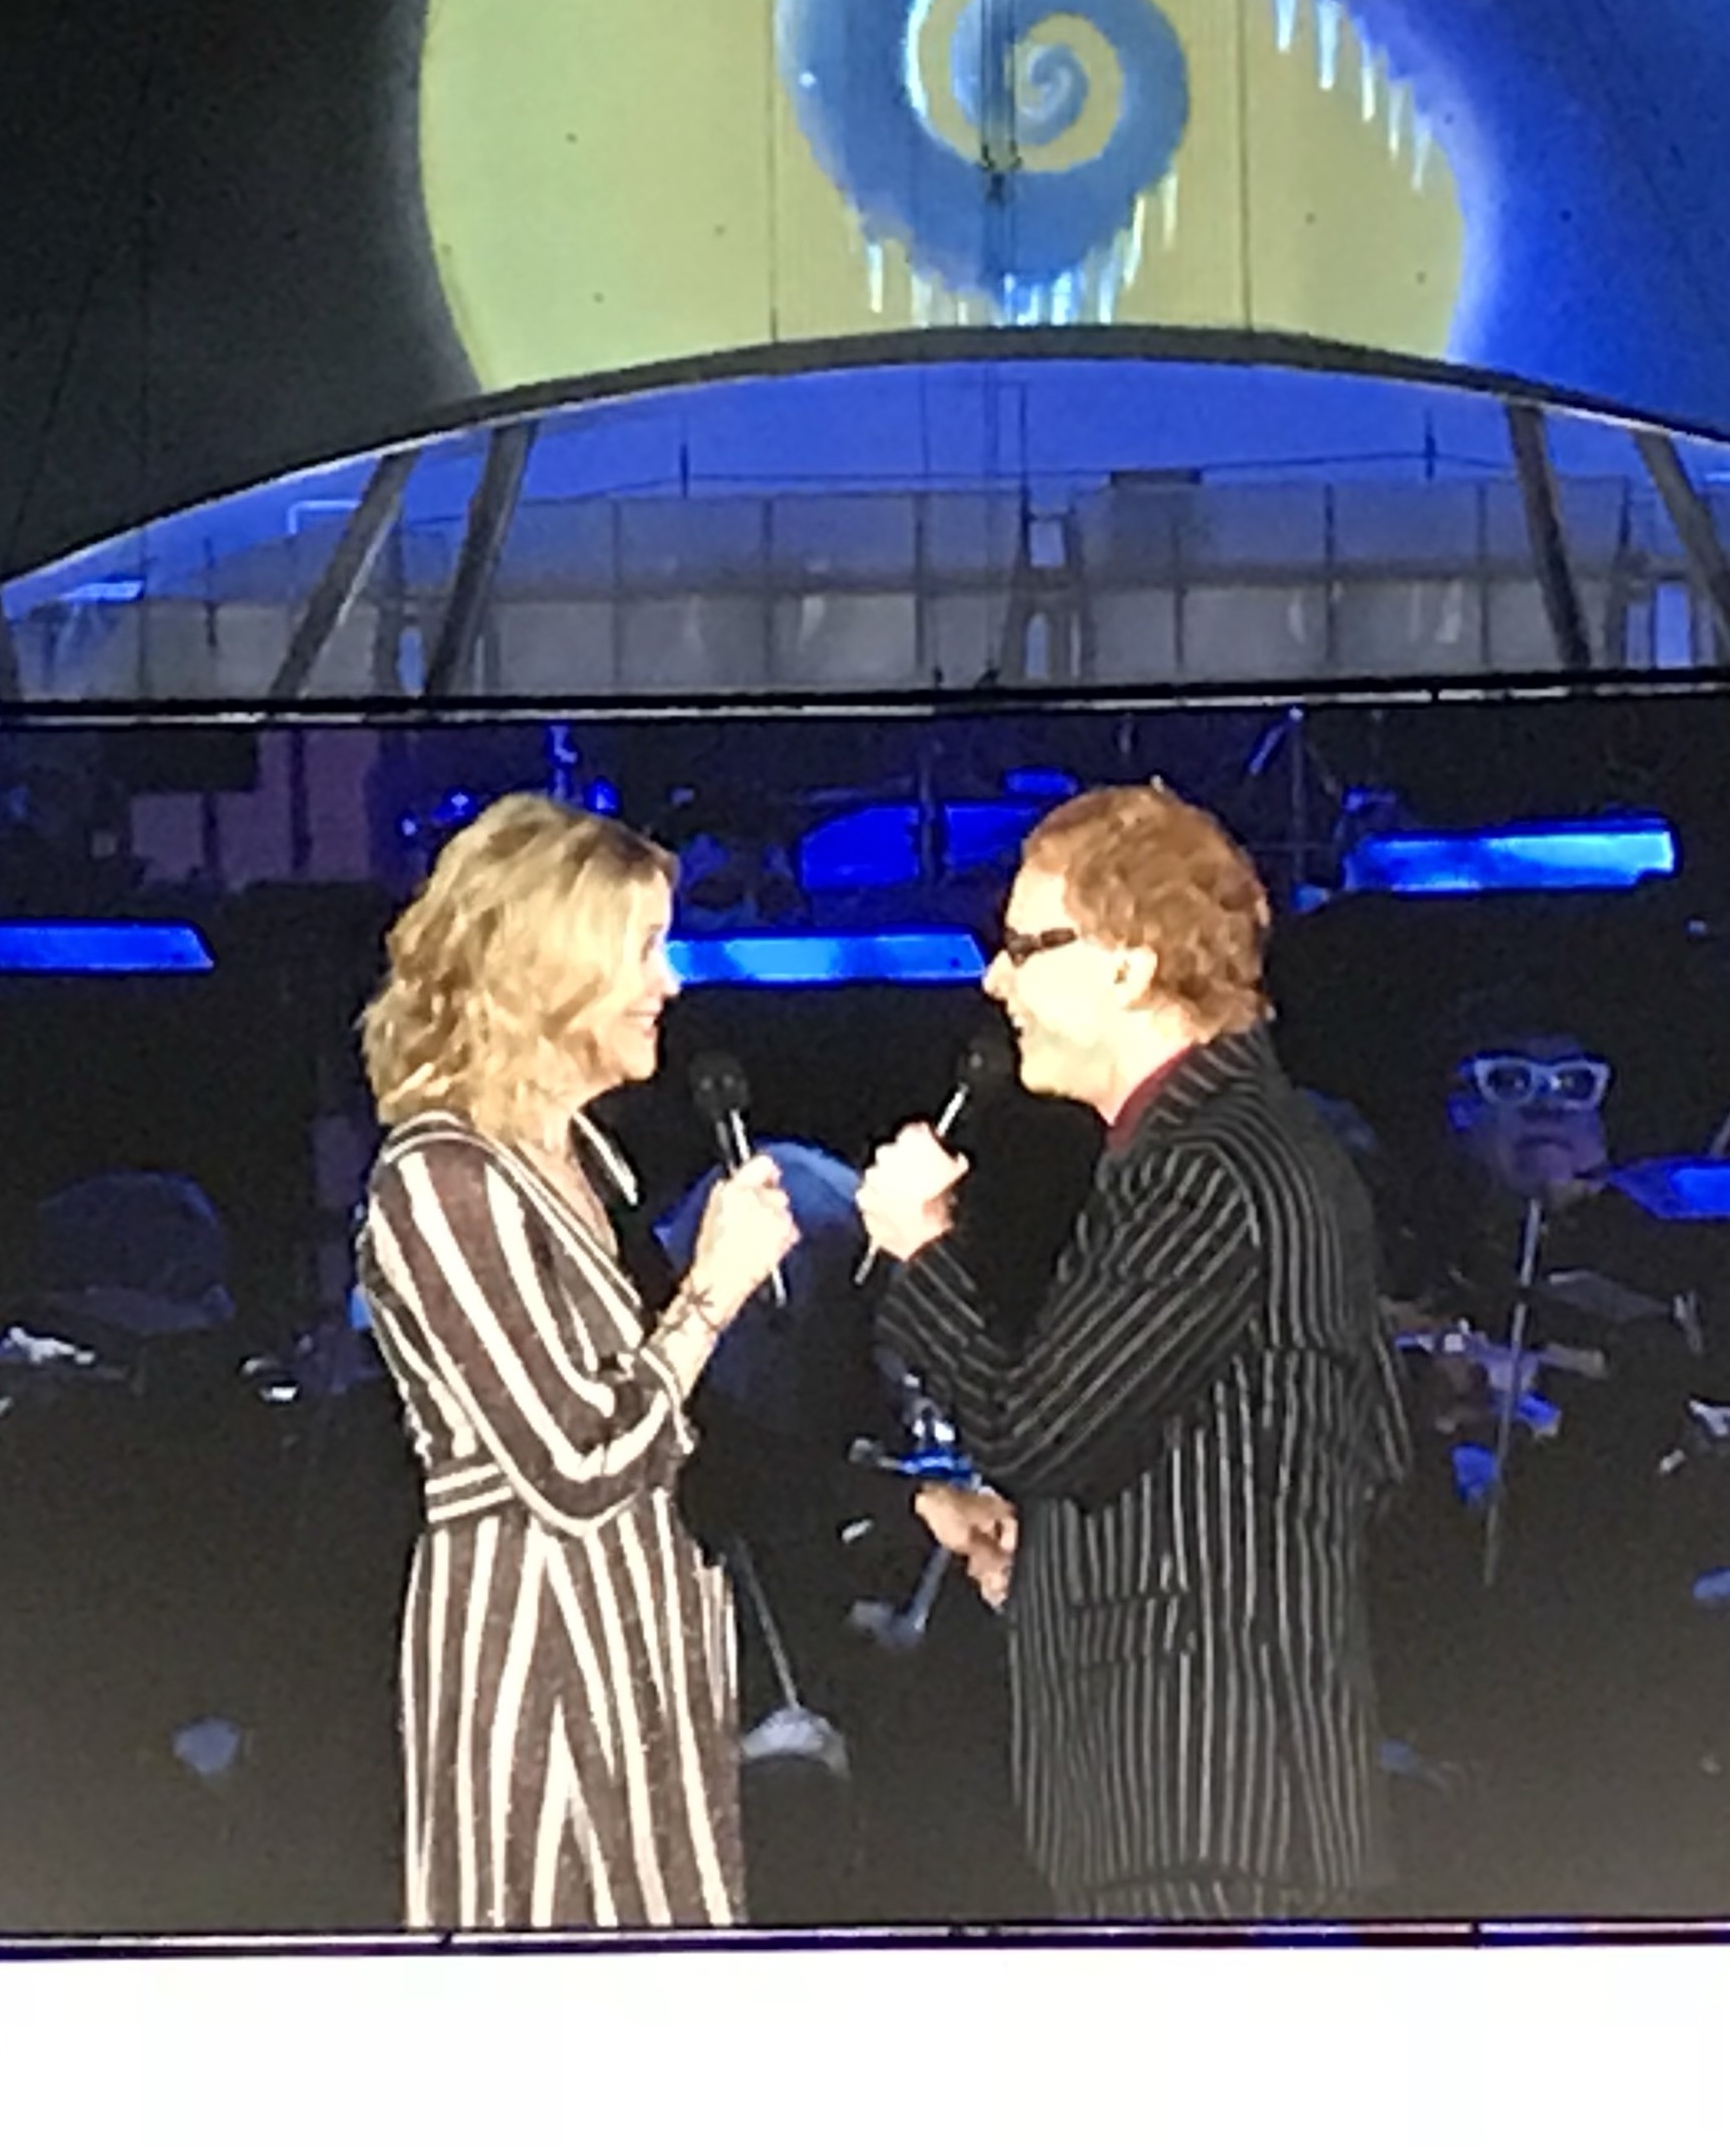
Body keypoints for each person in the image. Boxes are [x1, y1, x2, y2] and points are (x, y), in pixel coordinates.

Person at [853, 782, 1408, 1922]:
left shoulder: (1199, 1166)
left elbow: (1035, 1433)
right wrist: (1070, 1561)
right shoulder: (1252, 1141)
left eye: (1023, 947)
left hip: (1202, 1803)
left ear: (1126, 966)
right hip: (1237, 1791)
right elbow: (1360, 1454)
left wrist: (922, 1248)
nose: (993, 980)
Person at [355, 792, 797, 1929]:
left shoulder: (590, 1162)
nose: (669, 983)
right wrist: (712, 1290)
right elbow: (576, 1460)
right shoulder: (441, 1179)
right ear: (547, 969)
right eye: (642, 949)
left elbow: (676, 1430)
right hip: (540, 1656)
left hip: (647, 1644)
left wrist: (897, 1503)